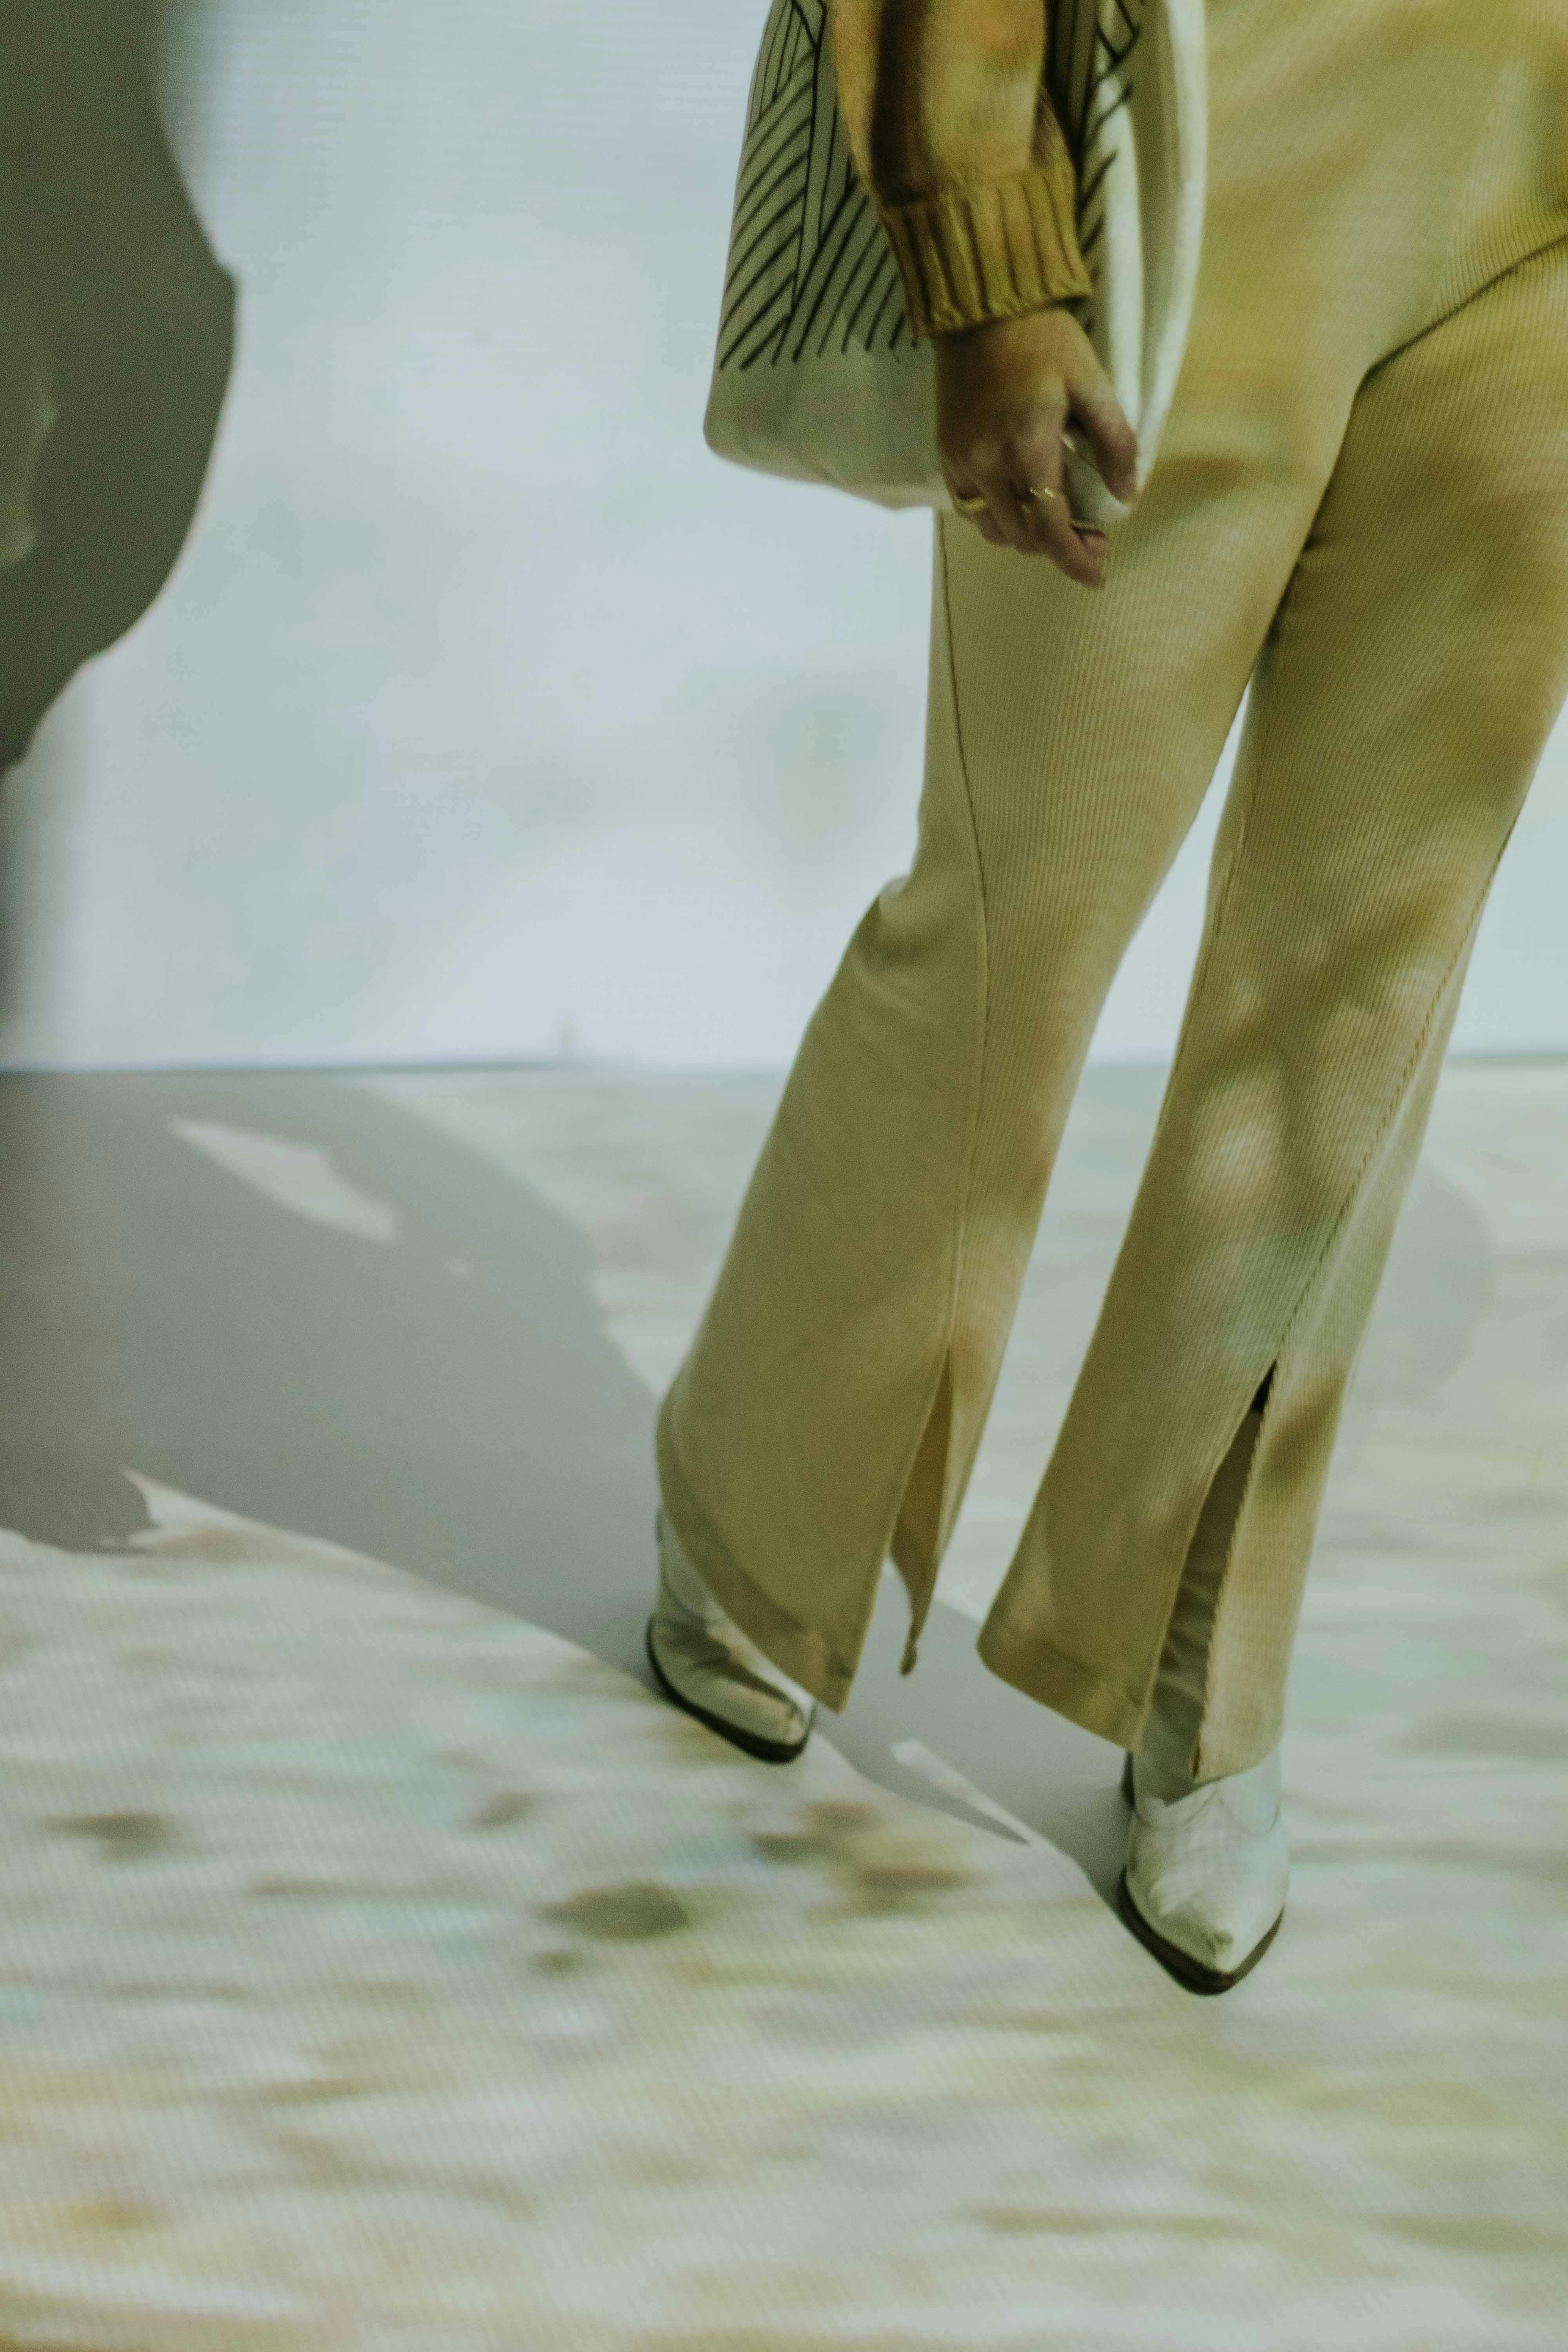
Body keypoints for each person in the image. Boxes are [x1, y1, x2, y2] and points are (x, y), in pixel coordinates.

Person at [646, 0, 1568, 1993]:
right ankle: (756, 1526)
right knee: (1016, 925)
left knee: (1361, 1006)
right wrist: (988, 246)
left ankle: (1197, 1675)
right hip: (1232, 149)